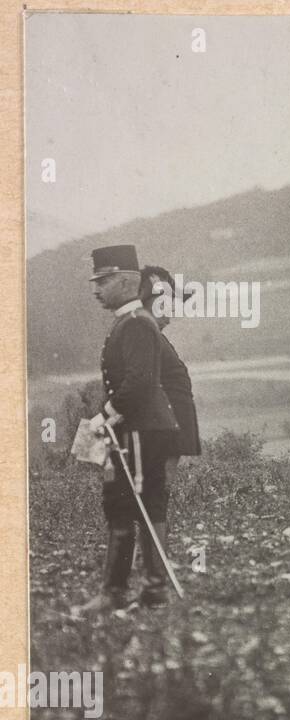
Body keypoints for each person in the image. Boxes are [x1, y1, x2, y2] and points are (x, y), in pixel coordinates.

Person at [72, 244, 179, 616]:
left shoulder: (135, 323)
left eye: (103, 280)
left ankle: (132, 593)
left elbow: (139, 383)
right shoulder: (130, 321)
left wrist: (105, 417)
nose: (96, 288)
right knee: (130, 504)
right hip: (137, 428)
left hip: (139, 430)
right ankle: (140, 592)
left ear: (126, 281)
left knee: (135, 505)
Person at [140, 266, 201, 482]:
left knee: (163, 479)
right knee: (158, 483)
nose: (169, 316)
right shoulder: (143, 334)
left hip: (171, 422)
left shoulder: (152, 334)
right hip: (163, 423)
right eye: (163, 306)